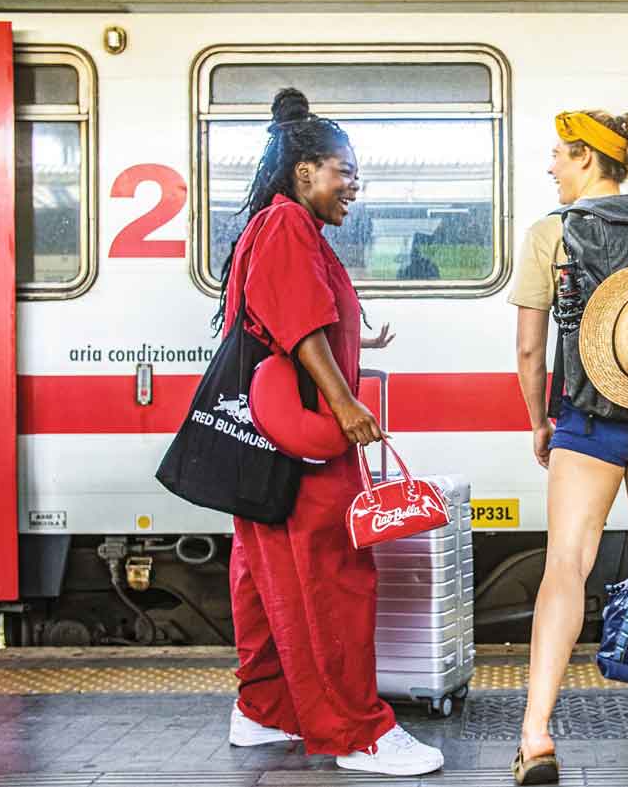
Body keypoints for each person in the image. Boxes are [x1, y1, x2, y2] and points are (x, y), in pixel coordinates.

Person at [215, 87, 440, 775]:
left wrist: (355, 347)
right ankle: (355, 733)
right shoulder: (287, 227)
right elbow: (302, 330)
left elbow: (280, 328)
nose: (354, 185)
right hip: (305, 440)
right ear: (305, 170)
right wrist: (347, 403)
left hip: (267, 442)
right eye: (344, 170)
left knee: (263, 580)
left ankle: (262, 708)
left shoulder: (271, 225)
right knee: (330, 580)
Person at [508, 110, 628, 784]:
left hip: (589, 414)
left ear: (589, 159)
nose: (551, 167)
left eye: (559, 155)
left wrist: (540, 417)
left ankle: (536, 735)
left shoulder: (552, 233)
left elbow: (532, 347)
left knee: (567, 562)